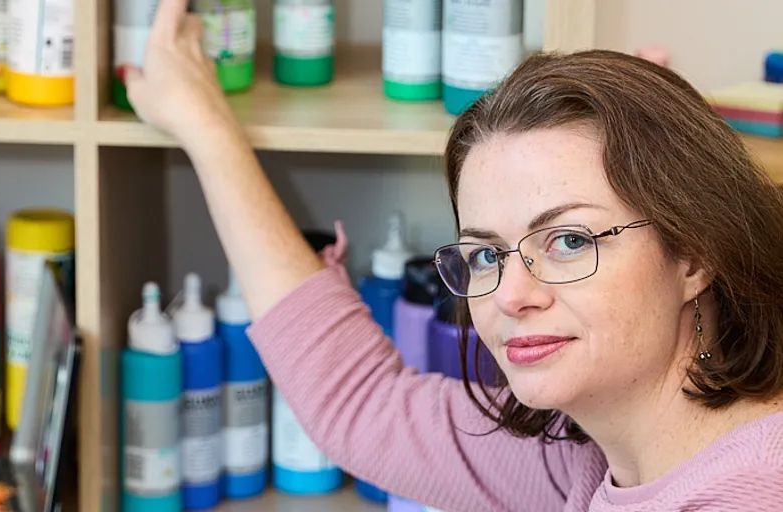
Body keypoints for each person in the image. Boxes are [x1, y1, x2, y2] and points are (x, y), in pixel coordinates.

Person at [124, 0, 783, 510]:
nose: (510, 296)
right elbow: (360, 405)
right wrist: (206, 129)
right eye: (487, 256)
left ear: (694, 253)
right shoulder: (594, 452)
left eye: (569, 241)